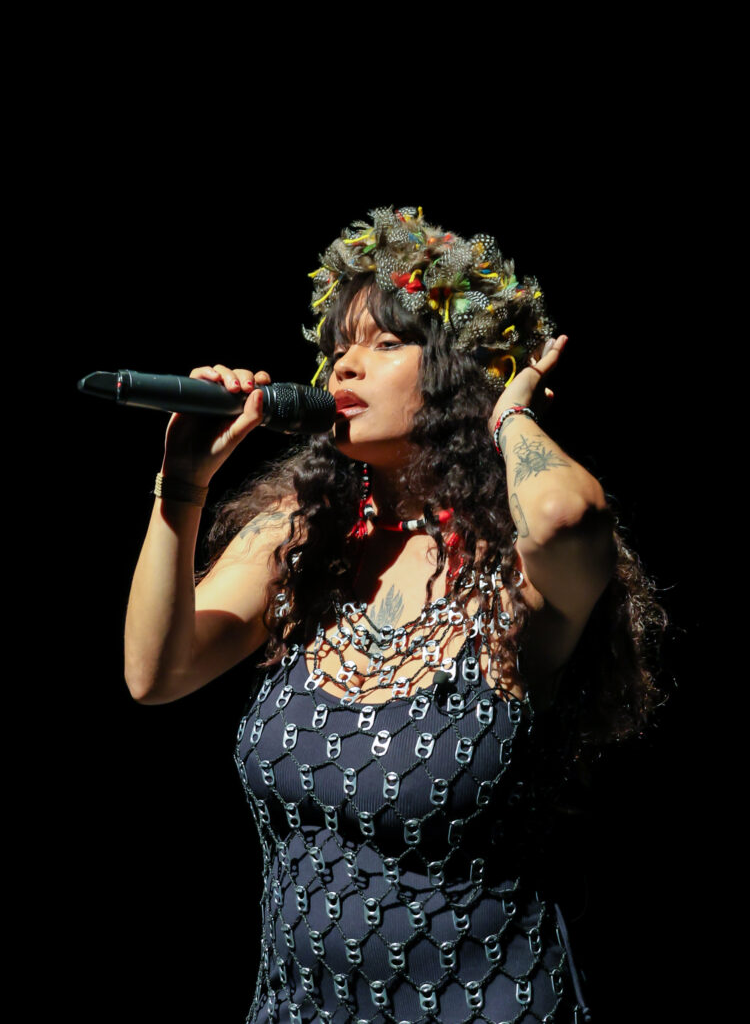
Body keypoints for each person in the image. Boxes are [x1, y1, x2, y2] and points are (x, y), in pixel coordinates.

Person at [125, 207, 664, 1023]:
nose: (346, 363)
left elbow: (563, 513)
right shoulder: (301, 538)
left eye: (386, 343)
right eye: (341, 345)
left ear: (460, 371)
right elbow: (154, 671)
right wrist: (183, 484)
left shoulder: (514, 569)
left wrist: (510, 410)